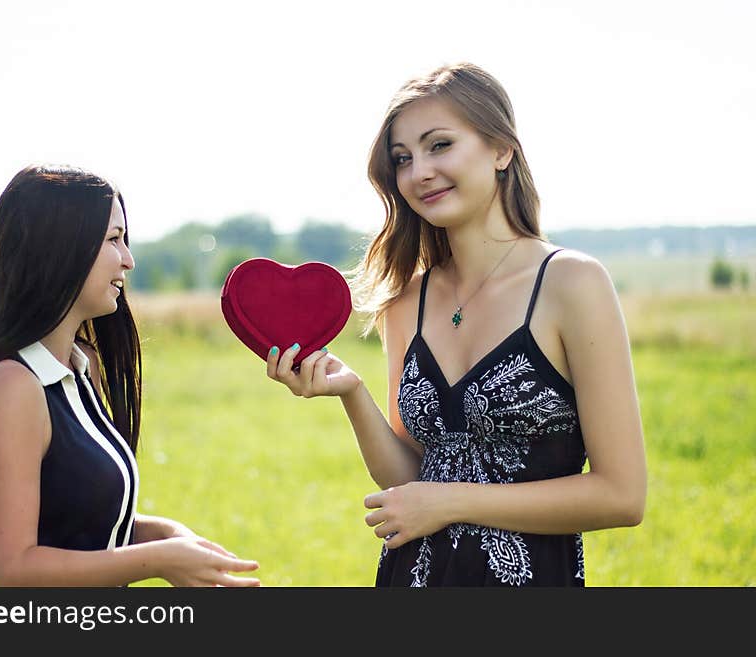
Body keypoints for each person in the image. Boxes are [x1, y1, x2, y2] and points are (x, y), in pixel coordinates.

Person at [266, 63, 647, 586]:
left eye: (439, 145)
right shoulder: (405, 304)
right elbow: (414, 478)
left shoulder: (570, 283)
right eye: (403, 158)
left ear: (500, 150)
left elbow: (622, 495)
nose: (418, 171)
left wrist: (448, 502)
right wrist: (351, 392)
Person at [0, 164, 260, 587]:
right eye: (114, 239)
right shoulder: (12, 387)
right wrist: (159, 560)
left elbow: (84, 525)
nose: (128, 259)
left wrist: (165, 535)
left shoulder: (80, 367)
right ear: (61, 248)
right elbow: (14, 570)